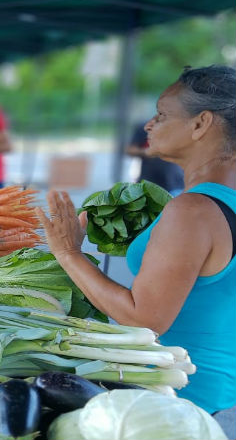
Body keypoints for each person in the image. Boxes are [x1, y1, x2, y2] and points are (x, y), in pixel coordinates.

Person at [36, 65, 236, 435]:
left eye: (161, 114)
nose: (148, 124)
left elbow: (143, 319)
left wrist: (69, 253)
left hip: (179, 404)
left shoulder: (191, 211)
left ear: (201, 124)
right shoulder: (221, 204)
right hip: (219, 393)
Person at [126, 121, 184, 195]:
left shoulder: (181, 128)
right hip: (148, 182)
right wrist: (147, 152)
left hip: (175, 184)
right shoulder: (146, 127)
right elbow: (130, 150)